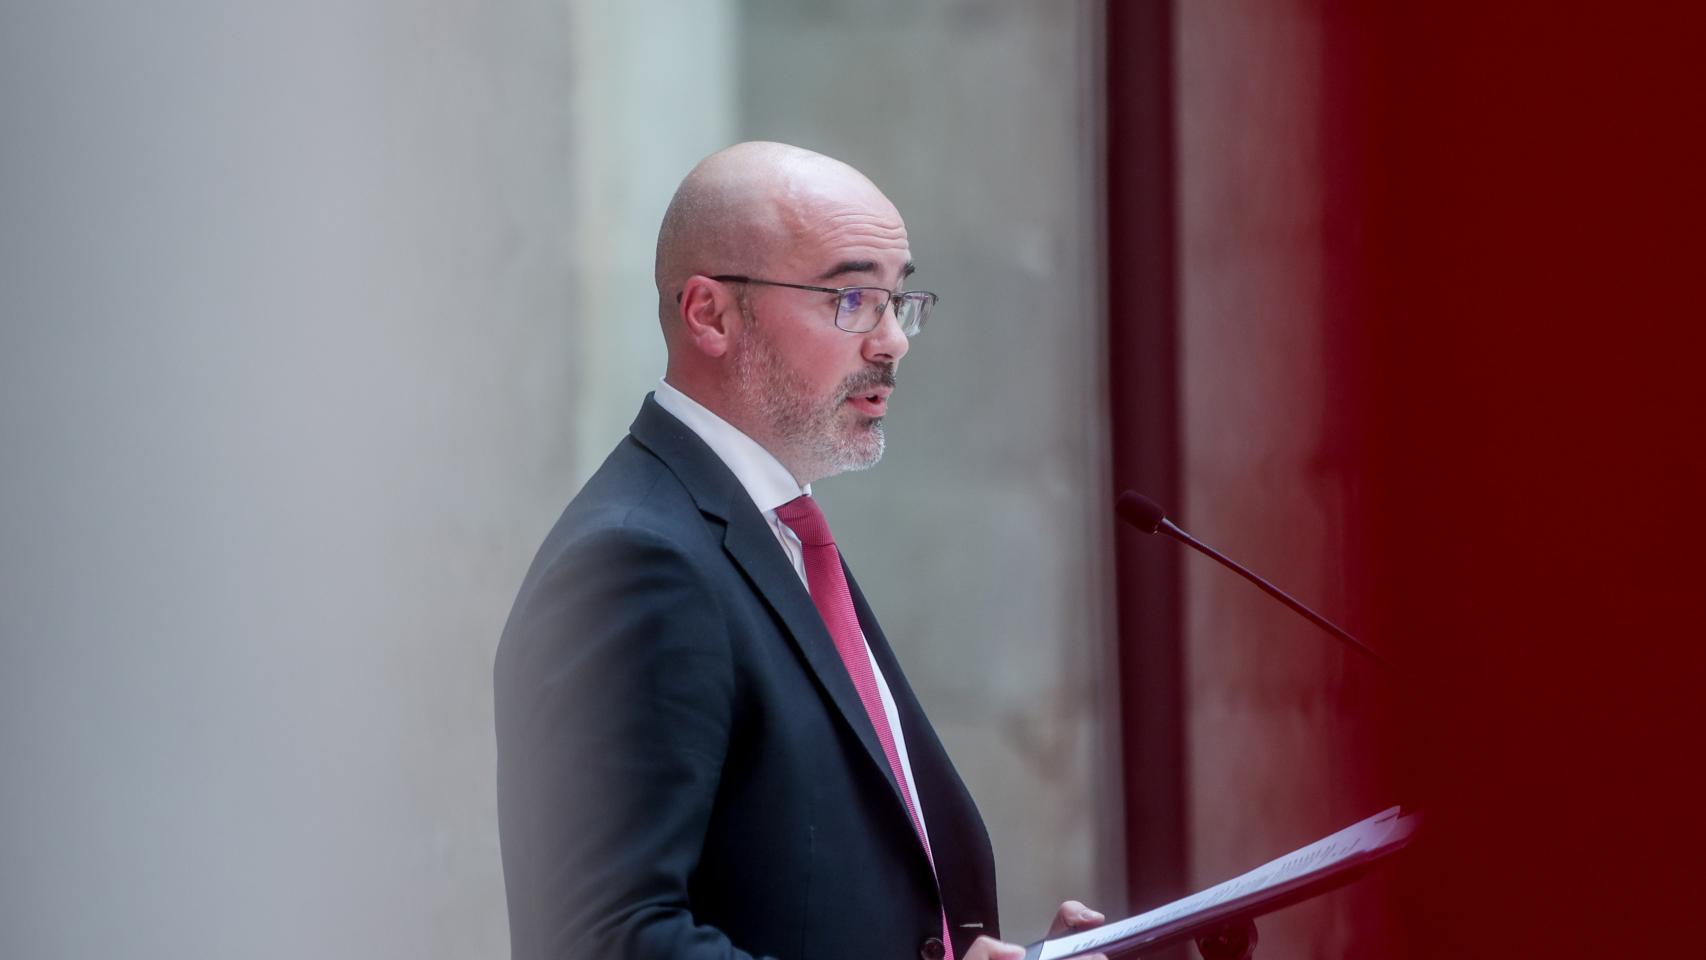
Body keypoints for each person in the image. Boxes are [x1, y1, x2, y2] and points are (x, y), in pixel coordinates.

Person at [494, 142, 1105, 960]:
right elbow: (606, 941)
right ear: (710, 315)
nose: (893, 342)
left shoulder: (773, 529)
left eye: (898, 300)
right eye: (852, 298)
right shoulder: (636, 563)